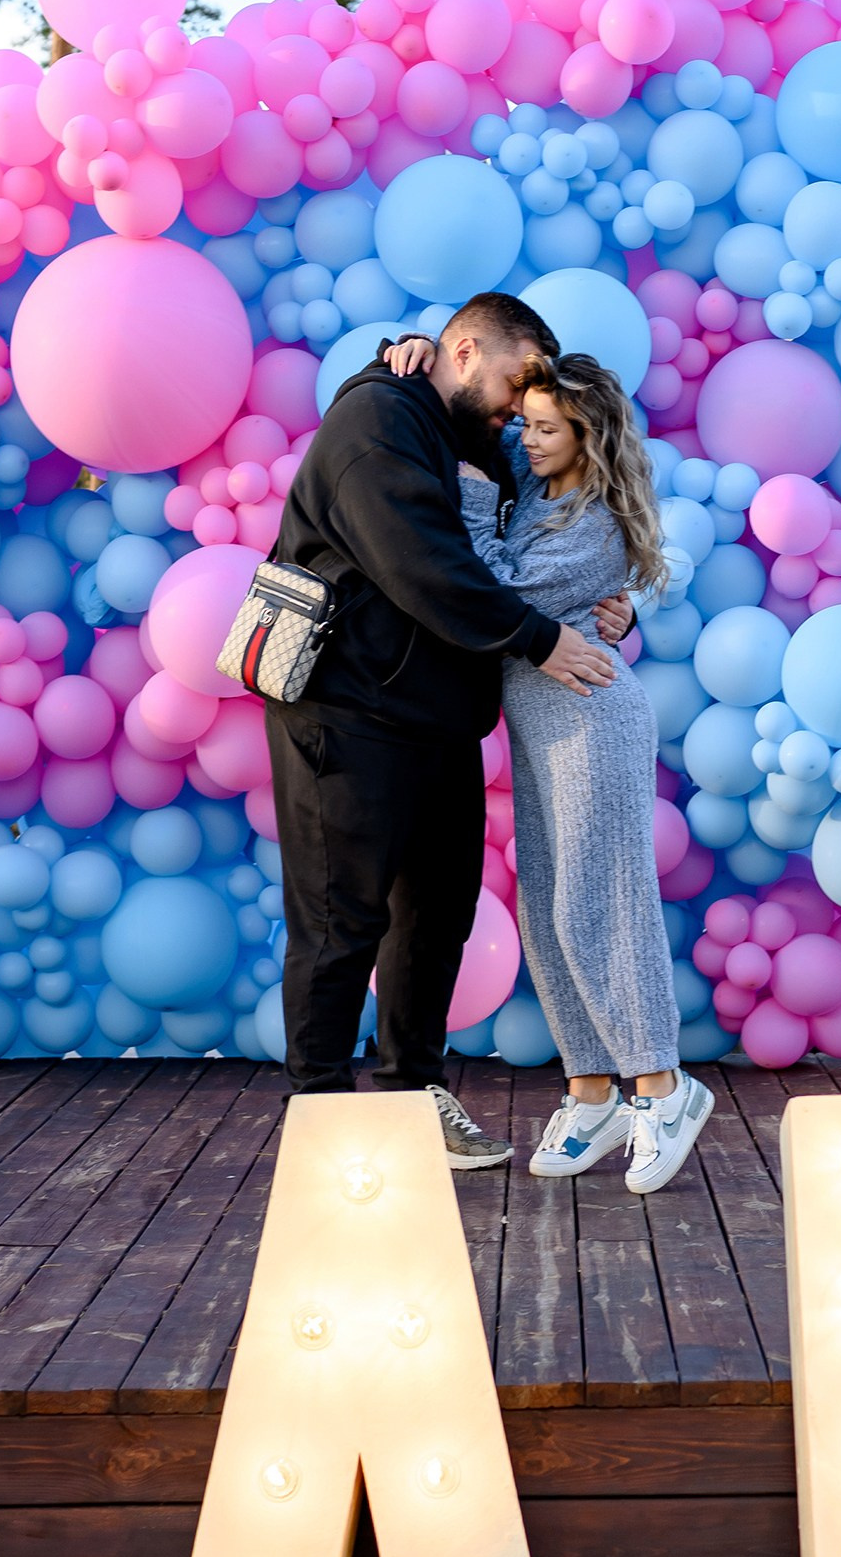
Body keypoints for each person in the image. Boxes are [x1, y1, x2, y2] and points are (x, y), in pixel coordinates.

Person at [263, 290, 622, 1169]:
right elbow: (422, 562)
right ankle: (321, 1125)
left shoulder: (471, 435)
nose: (516, 407)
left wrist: (601, 605)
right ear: (461, 353)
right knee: (338, 919)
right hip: (344, 715)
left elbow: (529, 552)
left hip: (439, 720)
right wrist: (543, 641)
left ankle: (415, 1100)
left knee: (434, 919)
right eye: (508, 378)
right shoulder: (377, 421)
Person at [389, 334, 714, 1196]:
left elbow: (499, 598)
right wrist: (409, 349)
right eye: (526, 423)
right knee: (545, 906)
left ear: (587, 436)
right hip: (539, 724)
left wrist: (466, 511)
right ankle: (591, 1090)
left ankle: (661, 1085)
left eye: (545, 429)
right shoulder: (538, 483)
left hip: (590, 718)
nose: (526, 440)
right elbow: (472, 413)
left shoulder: (596, 520)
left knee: (600, 900)